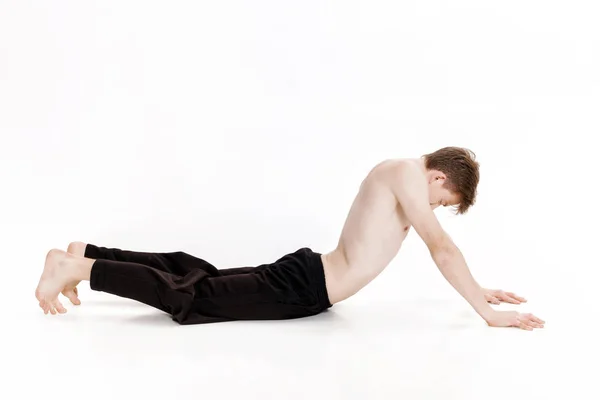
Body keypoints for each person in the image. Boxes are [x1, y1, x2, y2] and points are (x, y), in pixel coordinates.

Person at [35, 146, 544, 330]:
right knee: (193, 300)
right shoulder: (407, 173)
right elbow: (441, 247)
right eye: (443, 202)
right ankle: (77, 268)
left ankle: (89, 254)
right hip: (303, 285)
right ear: (439, 179)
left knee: (201, 276)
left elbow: (438, 245)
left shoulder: (404, 173)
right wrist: (485, 310)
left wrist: (479, 290)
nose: (435, 210)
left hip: (307, 278)